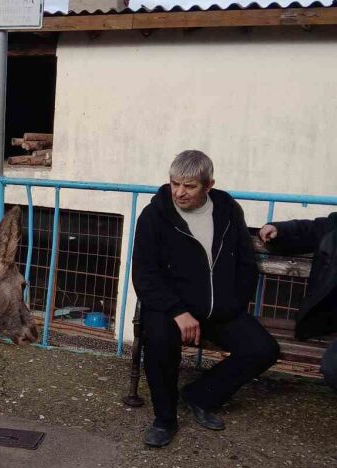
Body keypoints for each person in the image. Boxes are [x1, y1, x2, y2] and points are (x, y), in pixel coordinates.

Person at [132, 150, 279, 448]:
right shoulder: (155, 215)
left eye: (189, 186)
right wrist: (178, 311)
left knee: (263, 349)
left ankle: (200, 395)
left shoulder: (227, 210)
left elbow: (245, 263)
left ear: (208, 185)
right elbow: (145, 274)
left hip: (219, 308)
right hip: (170, 308)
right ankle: (164, 419)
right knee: (159, 341)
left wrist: (235, 302)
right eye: (175, 183)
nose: (179, 192)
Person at [259, 213, 337, 390]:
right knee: (333, 368)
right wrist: (278, 229)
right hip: (330, 320)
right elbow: (307, 229)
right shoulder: (333, 226)